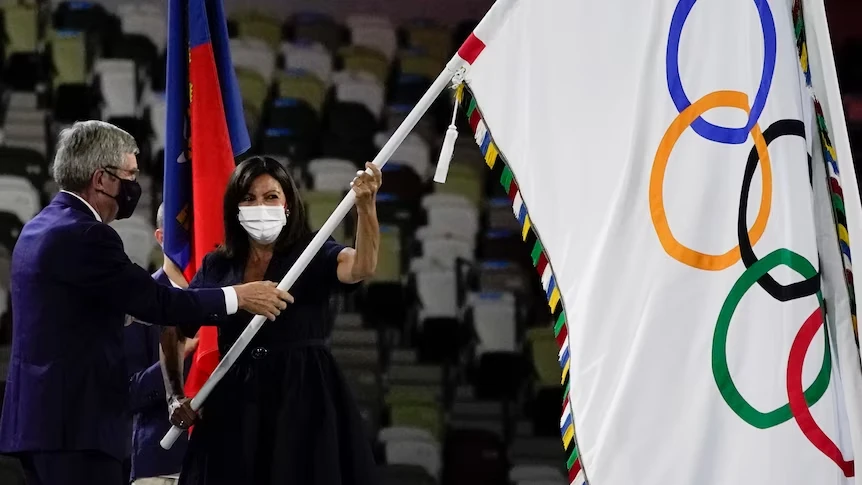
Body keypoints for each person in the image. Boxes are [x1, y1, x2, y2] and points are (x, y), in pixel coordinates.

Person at [0, 121, 293, 485]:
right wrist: (239, 295)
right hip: (76, 428)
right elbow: (155, 301)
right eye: (130, 175)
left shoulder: (38, 227)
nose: (135, 186)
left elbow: (76, 310)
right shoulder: (87, 234)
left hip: (40, 423)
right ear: (101, 178)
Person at [162, 156, 382, 485]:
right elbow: (174, 328)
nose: (260, 206)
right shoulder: (218, 265)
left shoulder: (313, 252)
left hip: (303, 399)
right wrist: (175, 394)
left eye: (270, 196)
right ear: (235, 208)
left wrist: (366, 208)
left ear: (288, 204)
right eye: (248, 198)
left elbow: (361, 267)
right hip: (235, 403)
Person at [125, 203, 196, 485]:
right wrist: (181, 353)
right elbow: (129, 392)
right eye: (181, 233)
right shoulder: (139, 302)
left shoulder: (231, 297)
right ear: (160, 237)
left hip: (223, 461)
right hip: (161, 465)